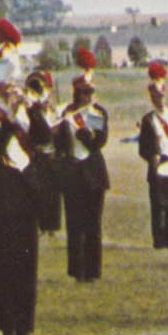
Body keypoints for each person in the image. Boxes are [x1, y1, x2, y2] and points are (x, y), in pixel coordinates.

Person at [0, 18, 51, 335]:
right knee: (5, 264)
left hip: (28, 191)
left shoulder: (25, 107)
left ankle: (26, 329)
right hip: (4, 194)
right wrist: (9, 116)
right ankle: (7, 329)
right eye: (3, 77)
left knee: (28, 263)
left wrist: (31, 109)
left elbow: (44, 139)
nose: (9, 84)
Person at [55, 49, 110, 283]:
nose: (87, 96)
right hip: (72, 172)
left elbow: (99, 142)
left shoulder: (98, 113)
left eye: (90, 92)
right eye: (84, 92)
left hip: (93, 172)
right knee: (74, 225)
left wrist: (87, 134)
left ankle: (93, 271)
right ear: (76, 92)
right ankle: (77, 271)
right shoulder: (66, 113)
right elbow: (58, 142)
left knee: (93, 225)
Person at [138, 61, 168, 250]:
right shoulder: (148, 120)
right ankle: (158, 241)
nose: (159, 99)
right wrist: (152, 157)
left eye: (161, 95)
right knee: (157, 205)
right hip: (156, 164)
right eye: (155, 96)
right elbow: (142, 148)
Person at [26, 70, 63, 236]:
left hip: (53, 152)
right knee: (39, 190)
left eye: (47, 87)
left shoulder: (53, 108)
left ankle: (52, 225)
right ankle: (41, 224)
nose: (45, 91)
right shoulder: (32, 109)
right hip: (39, 152)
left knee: (54, 190)